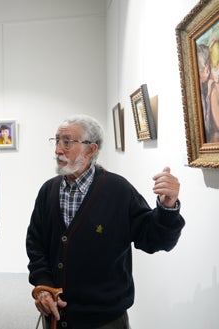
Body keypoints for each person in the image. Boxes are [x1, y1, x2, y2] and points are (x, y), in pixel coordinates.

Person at [26, 115, 185, 329]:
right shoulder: (49, 190)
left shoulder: (119, 190)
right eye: (56, 141)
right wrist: (43, 285)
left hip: (105, 321)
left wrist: (167, 208)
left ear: (91, 150)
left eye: (67, 142)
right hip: (55, 316)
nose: (57, 150)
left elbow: (155, 240)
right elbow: (36, 243)